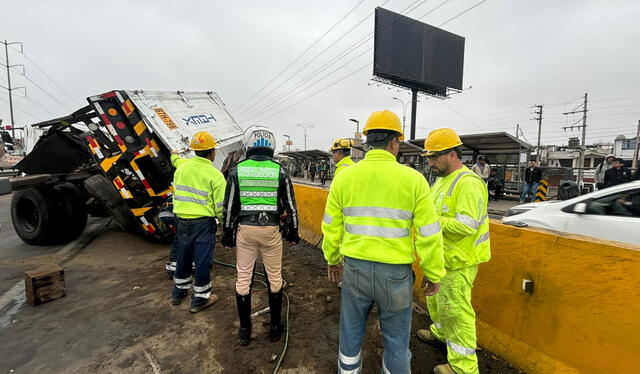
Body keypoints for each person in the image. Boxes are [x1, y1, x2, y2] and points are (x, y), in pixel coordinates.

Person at [322, 110, 446, 374]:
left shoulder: (344, 177)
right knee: (397, 341)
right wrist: (433, 273)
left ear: (367, 142)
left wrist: (333, 260)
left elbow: (331, 226)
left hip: (355, 270)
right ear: (394, 143)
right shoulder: (414, 180)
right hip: (396, 276)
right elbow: (429, 233)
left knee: (351, 331)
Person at [417, 128, 491, 374]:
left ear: (451, 155)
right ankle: (440, 333)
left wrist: (431, 221)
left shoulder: (469, 183)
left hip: (459, 262)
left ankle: (463, 368)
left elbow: (467, 225)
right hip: (441, 258)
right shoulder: (440, 181)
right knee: (438, 304)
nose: (429, 163)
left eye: (433, 157)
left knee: (457, 313)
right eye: (427, 158)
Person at [221, 126, 300, 346]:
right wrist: (294, 232)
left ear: (249, 145)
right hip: (271, 230)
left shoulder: (237, 170)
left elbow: (229, 207)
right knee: (274, 278)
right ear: (271, 146)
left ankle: (245, 331)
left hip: (245, 230)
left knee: (243, 278)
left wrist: (227, 233)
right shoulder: (280, 170)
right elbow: (291, 206)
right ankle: (275, 328)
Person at [169, 131, 226, 313]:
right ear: (212, 152)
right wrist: (225, 223)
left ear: (194, 151)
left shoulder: (182, 167)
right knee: (202, 260)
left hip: (182, 221)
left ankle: (179, 292)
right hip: (203, 223)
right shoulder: (215, 175)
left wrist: (174, 154)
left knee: (183, 256)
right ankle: (200, 299)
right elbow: (220, 207)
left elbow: (175, 160)